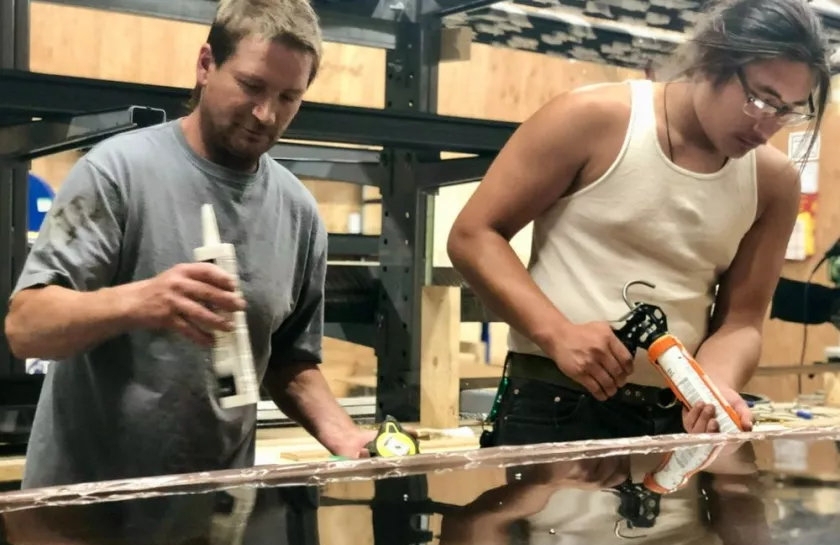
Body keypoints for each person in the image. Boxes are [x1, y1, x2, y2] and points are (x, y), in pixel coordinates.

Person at [4, 0, 375, 489]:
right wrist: (139, 301)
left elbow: (290, 361)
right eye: (251, 86)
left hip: (212, 516)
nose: (266, 114)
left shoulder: (299, 213)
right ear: (205, 65)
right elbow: (26, 327)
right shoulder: (117, 173)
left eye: (289, 97)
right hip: (86, 514)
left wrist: (348, 439)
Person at [447, 0, 831, 446]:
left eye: (788, 110)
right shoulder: (593, 120)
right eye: (759, 99)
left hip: (676, 420)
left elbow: (740, 322)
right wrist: (555, 332)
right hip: (553, 402)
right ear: (711, 61)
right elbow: (474, 235)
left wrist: (713, 390)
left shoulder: (774, 182)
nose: (767, 125)